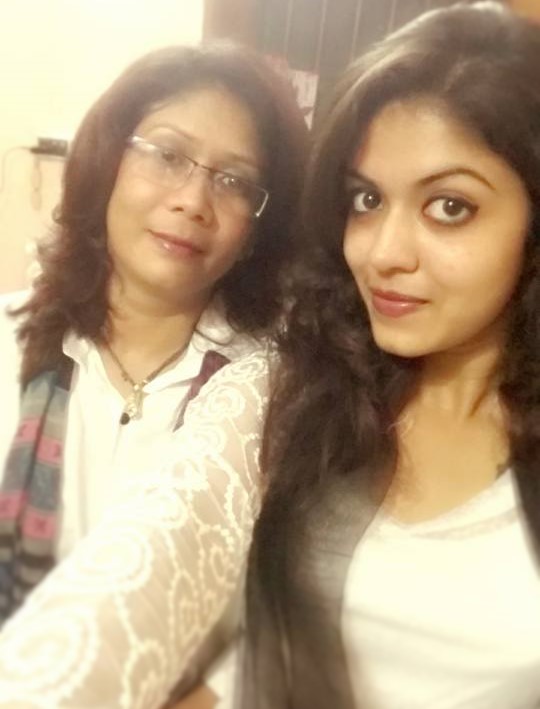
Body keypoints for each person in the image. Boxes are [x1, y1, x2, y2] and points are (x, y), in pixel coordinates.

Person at [1, 2, 540, 708]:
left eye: (449, 207)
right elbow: (167, 555)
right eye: (366, 199)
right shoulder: (305, 387)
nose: (384, 252)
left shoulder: (259, 365)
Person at [0, 42, 307, 625]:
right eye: (167, 155)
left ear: (256, 231)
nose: (193, 202)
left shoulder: (275, 393)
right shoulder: (8, 340)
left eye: (234, 181)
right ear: (107, 164)